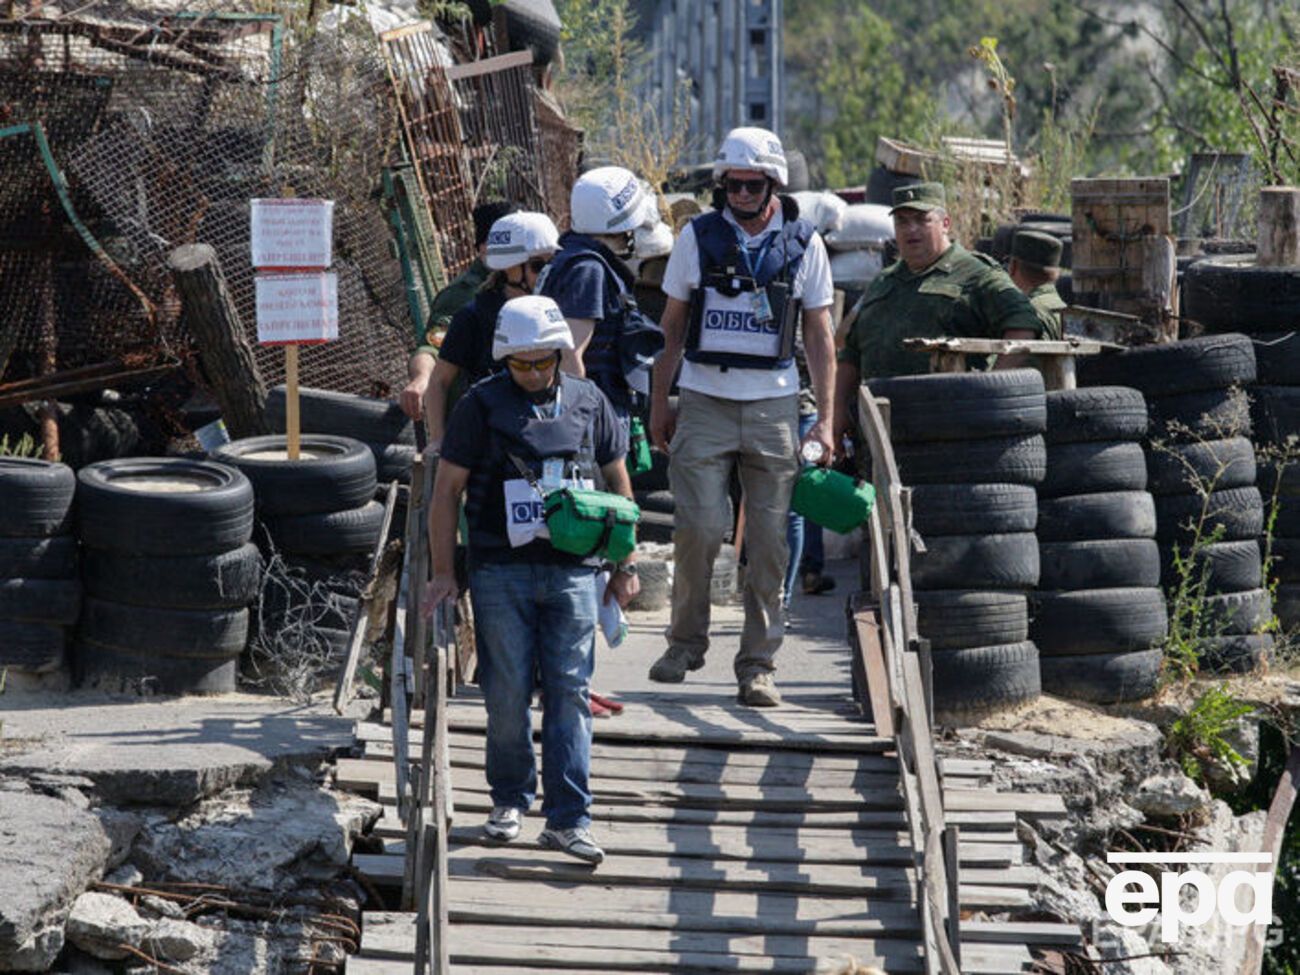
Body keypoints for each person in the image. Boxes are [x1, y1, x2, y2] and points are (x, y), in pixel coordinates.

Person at [426, 295, 638, 864]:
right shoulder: (479, 405)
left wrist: (626, 567)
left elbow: (620, 488)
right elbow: (446, 493)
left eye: (542, 361)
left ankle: (570, 819)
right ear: (503, 360)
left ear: (559, 353)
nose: (533, 373)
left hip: (574, 572)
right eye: (519, 364)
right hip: (500, 572)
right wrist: (444, 574)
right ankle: (509, 800)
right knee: (507, 691)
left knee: (569, 689)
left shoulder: (591, 403)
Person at [647, 126, 836, 708]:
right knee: (699, 527)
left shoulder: (805, 245)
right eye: (732, 184)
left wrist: (826, 422)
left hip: (775, 407)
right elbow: (673, 326)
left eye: (753, 184)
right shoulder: (697, 237)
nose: (742, 193)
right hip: (704, 399)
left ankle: (758, 665)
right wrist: (661, 401)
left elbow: (821, 337)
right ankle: (684, 643)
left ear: (773, 183)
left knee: (771, 543)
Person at [833, 182, 1045, 442]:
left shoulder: (975, 274)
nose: (911, 230)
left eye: (922, 220)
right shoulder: (883, 282)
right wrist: (837, 411)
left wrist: (991, 390)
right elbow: (851, 353)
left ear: (945, 223)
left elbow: (1023, 324)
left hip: (947, 429)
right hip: (880, 427)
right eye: (902, 221)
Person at [423, 211, 559, 452]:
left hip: (546, 438)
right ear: (511, 268)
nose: (548, 273)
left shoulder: (556, 311)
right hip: (490, 445)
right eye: (538, 266)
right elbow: (439, 382)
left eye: (552, 263)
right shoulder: (473, 317)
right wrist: (438, 439)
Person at [538, 167, 664, 419]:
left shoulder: (570, 258)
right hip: (598, 409)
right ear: (623, 227)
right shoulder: (588, 270)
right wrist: (577, 423)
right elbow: (570, 353)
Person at [399, 200, 520, 421]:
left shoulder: (535, 281)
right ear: (484, 246)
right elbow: (432, 347)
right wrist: (422, 379)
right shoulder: (462, 295)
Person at [1008, 229, 1066, 340]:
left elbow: (1013, 356)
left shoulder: (1026, 314)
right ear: (1056, 273)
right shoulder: (1062, 308)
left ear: (1013, 266)